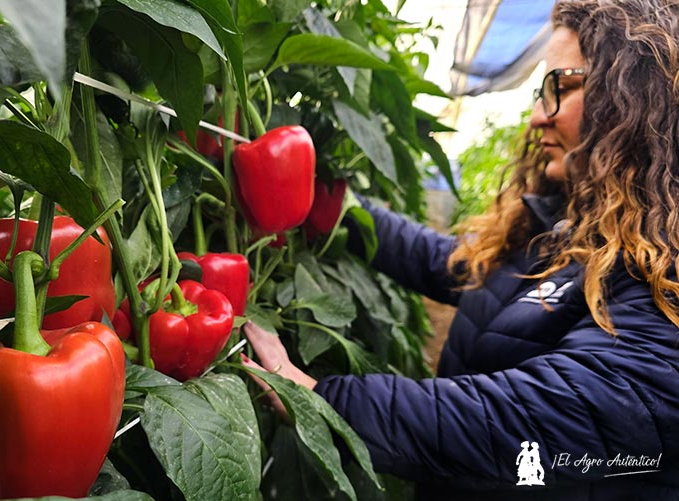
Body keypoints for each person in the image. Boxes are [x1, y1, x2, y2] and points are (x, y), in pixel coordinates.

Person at [241, 1, 679, 499]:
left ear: (638, 98)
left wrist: (327, 399)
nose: (537, 117)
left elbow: (553, 415)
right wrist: (336, 207)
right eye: (541, 92)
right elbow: (461, 268)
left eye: (562, 86)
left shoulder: (667, 264)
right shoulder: (573, 225)